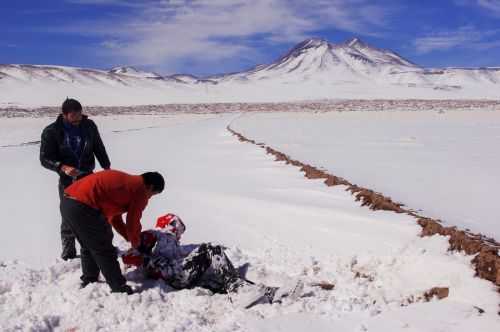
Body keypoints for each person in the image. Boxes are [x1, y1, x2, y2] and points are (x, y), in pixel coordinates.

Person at [122, 214, 304, 307]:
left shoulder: (174, 246)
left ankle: (270, 294)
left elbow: (189, 250)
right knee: (210, 249)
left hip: (178, 275)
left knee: (218, 278)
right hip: (171, 273)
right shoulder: (154, 235)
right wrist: (142, 259)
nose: (180, 234)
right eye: (179, 228)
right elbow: (131, 251)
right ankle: (239, 290)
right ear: (170, 223)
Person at [61, 169, 165, 294]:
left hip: (68, 203)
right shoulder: (140, 190)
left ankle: (90, 278)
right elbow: (133, 222)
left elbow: (114, 219)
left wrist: (130, 238)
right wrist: (137, 244)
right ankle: (119, 288)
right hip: (83, 206)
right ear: (150, 187)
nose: (149, 197)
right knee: (104, 248)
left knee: (89, 244)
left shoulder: (128, 184)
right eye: (153, 194)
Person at [40, 98, 111, 260]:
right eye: (74, 116)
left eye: (80, 115)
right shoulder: (52, 131)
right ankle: (69, 253)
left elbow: (98, 146)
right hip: (68, 181)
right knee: (69, 216)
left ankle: (101, 245)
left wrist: (107, 166)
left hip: (88, 176)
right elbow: (44, 158)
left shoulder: (89, 126)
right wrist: (62, 167)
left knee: (98, 212)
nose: (78, 119)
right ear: (64, 115)